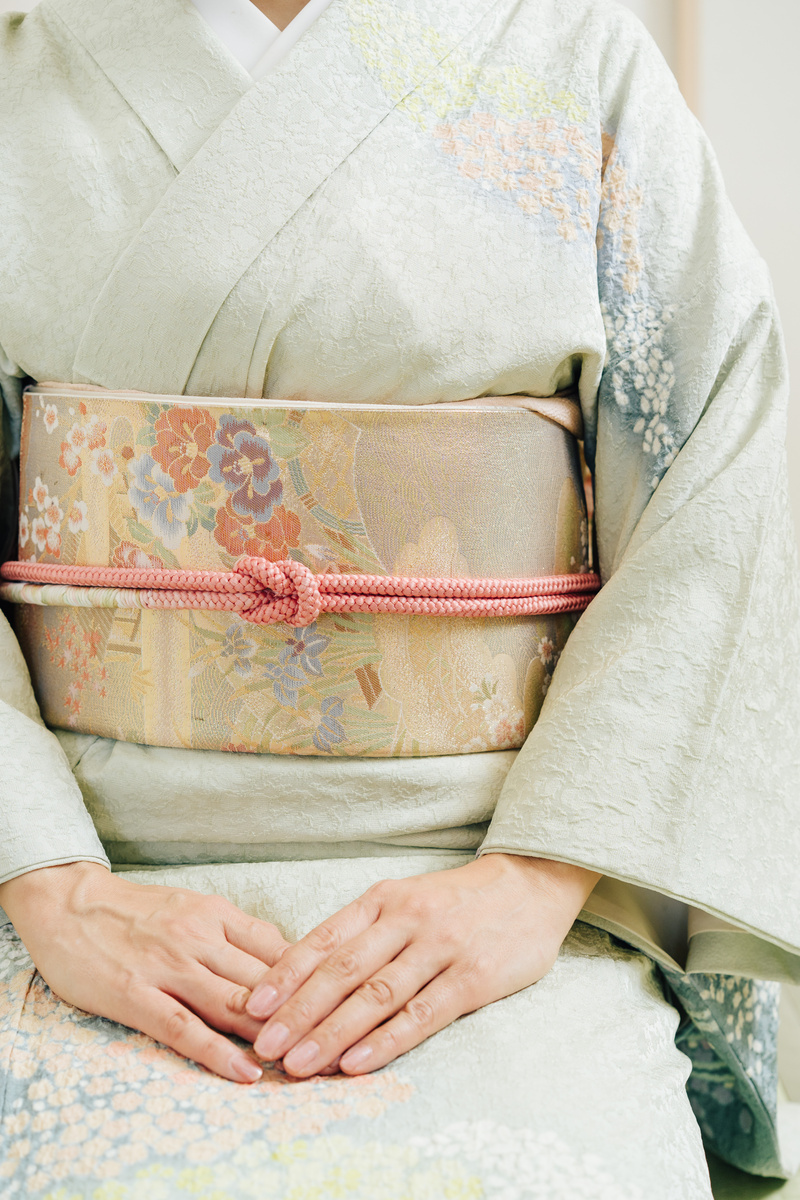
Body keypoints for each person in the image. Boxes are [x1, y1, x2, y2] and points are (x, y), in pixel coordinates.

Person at [0, 0, 798, 1195]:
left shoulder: (573, 57)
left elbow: (715, 476)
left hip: (504, 881)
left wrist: (532, 884)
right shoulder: (30, 62)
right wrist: (44, 881)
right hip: (85, 879)